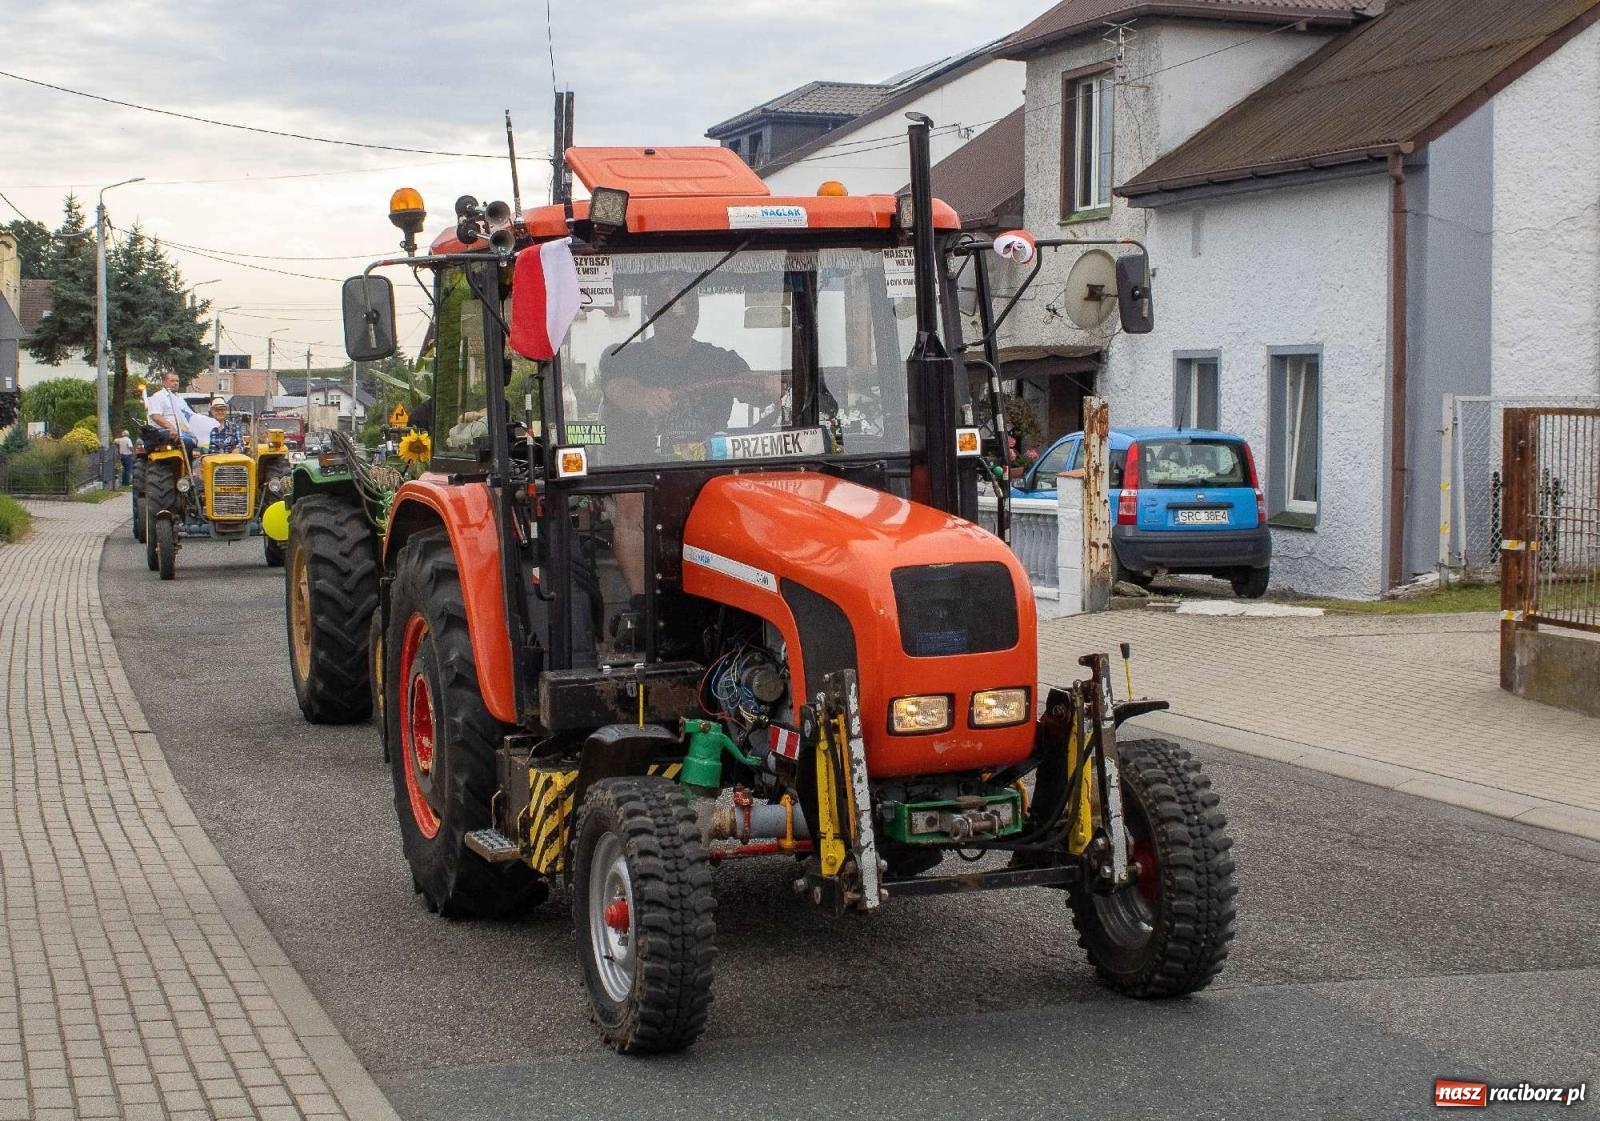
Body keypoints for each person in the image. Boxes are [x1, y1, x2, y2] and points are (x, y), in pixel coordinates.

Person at [599, 279, 754, 602]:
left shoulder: (719, 359)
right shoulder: (624, 357)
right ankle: (641, 602)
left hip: (707, 466)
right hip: (640, 463)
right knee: (631, 503)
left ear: (697, 315)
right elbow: (618, 389)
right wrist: (642, 396)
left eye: (688, 311)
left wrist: (766, 385)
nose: (680, 320)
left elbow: (749, 384)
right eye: (670, 312)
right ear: (653, 315)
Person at [144, 371, 196, 451]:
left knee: (206, 442)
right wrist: (171, 427)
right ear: (164, 382)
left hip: (184, 431)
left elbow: (190, 415)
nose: (175, 383)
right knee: (187, 442)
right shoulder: (158, 397)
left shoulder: (180, 398)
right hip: (167, 432)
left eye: (177, 381)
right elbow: (156, 416)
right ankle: (187, 463)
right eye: (172, 381)